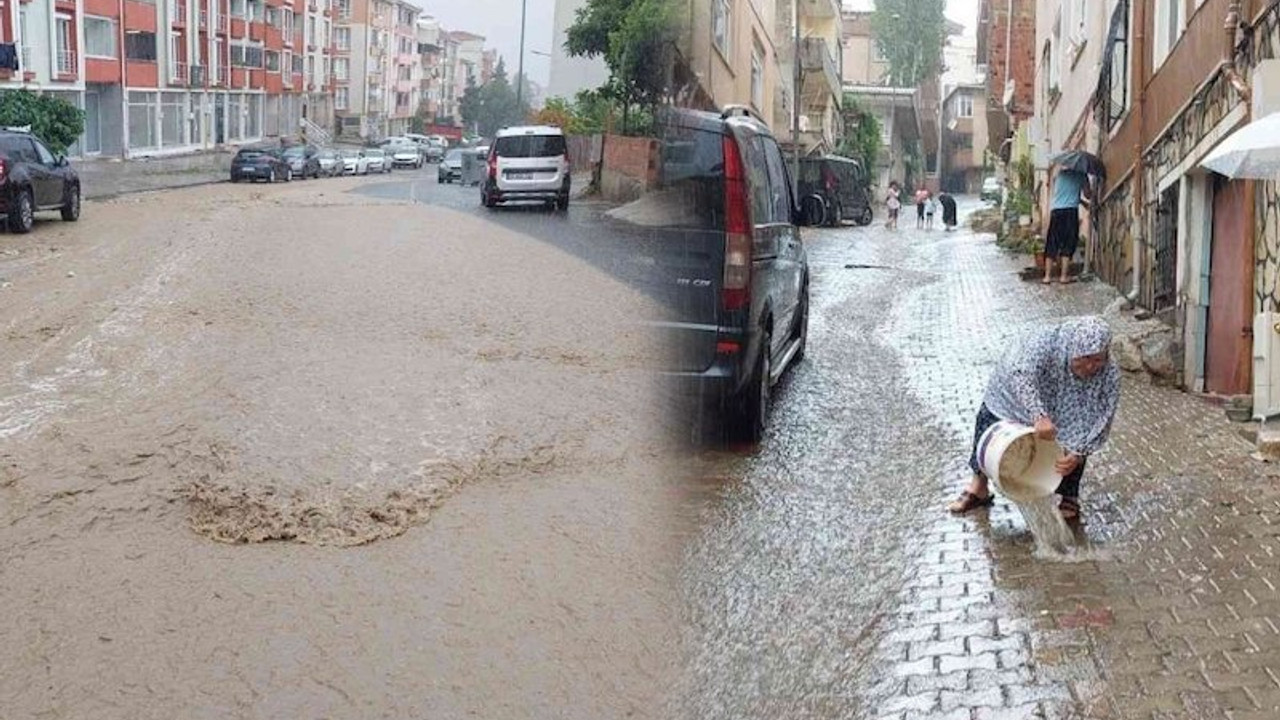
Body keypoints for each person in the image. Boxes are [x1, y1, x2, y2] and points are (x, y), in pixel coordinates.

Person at [947, 316, 1120, 522]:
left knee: (1076, 437)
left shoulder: (1110, 374)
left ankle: (1069, 496)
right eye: (1084, 358)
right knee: (988, 421)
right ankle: (979, 487)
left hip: (1069, 405)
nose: (1091, 366)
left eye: (1098, 359)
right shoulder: (1044, 345)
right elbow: (1020, 373)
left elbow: (1101, 417)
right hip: (1017, 394)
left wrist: (1079, 452)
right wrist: (1038, 414)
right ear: (1071, 349)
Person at [1043, 168, 1090, 285]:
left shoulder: (1060, 174)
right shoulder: (1081, 174)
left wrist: (1079, 200)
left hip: (1056, 211)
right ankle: (1063, 277)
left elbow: (1062, 194)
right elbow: (1088, 194)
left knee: (1052, 242)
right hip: (1070, 212)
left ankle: (1047, 276)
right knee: (1068, 243)